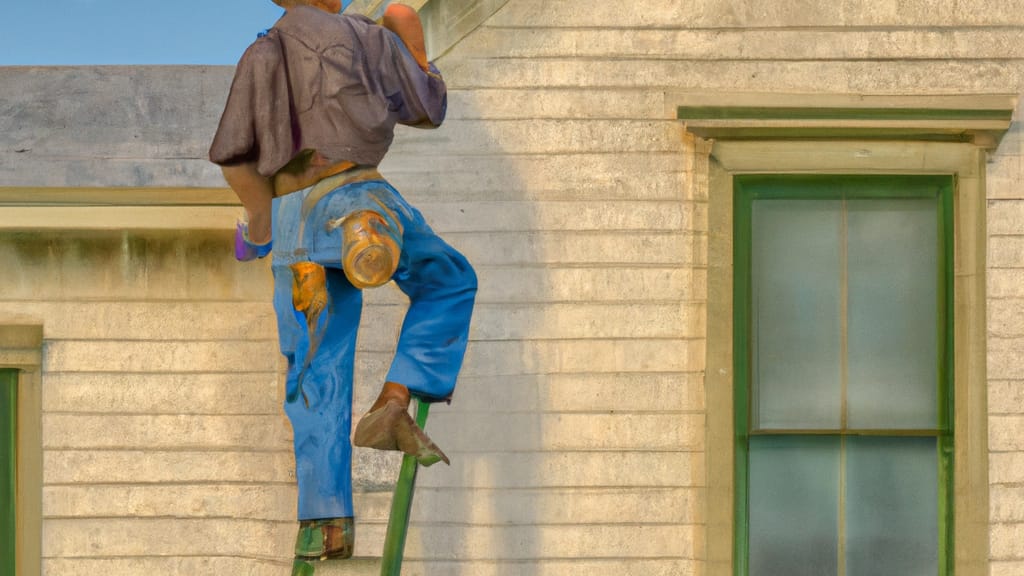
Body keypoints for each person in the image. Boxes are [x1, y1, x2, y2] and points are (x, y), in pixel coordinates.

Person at [208, 0, 476, 564]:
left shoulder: (265, 52)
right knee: (448, 280)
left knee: (315, 366)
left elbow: (235, 160)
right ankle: (396, 393)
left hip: (297, 217)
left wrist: (260, 229)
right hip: (364, 186)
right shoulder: (373, 42)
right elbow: (428, 109)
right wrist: (415, 48)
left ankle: (325, 525)